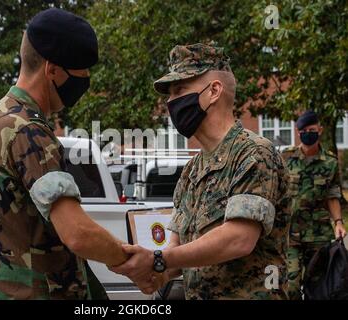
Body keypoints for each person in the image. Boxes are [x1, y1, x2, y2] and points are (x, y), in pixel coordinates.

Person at [0, 8, 128, 300]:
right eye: (81, 72)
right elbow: (77, 232)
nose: (86, 80)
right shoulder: (28, 130)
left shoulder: (1, 116)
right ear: (52, 69)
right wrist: (130, 259)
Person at [110, 43, 291, 300]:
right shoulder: (193, 170)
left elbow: (239, 238)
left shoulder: (254, 153)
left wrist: (158, 259)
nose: (170, 103)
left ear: (214, 91)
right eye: (169, 94)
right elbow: (177, 248)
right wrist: (156, 271)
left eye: (179, 90)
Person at [282, 110, 347, 300]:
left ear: (320, 130)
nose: (307, 133)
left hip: (319, 235)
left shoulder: (330, 163)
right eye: (303, 130)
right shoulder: (285, 158)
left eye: (311, 129)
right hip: (290, 235)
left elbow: (332, 195)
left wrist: (339, 222)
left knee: (318, 288)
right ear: (298, 132)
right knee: (291, 286)